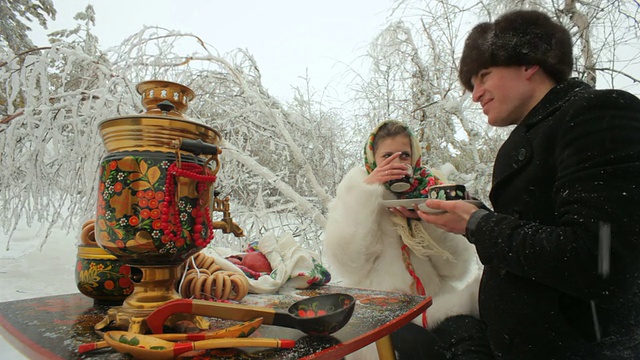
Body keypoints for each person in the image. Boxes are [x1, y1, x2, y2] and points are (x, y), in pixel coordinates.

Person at [419, 9, 640, 359]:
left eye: (484, 76)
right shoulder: (536, 133)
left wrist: (478, 224)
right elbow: (538, 229)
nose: (475, 94)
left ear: (529, 63)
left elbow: (601, 261)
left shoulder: (599, 112)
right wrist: (473, 217)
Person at [323, 119, 485, 359]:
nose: (397, 163)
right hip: (382, 312)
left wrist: (429, 219)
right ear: (373, 160)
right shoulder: (355, 195)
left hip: (435, 304)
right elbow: (349, 262)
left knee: (472, 339)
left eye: (404, 156)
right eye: (387, 156)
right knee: (421, 350)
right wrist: (367, 195)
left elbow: (455, 269)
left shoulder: (430, 189)